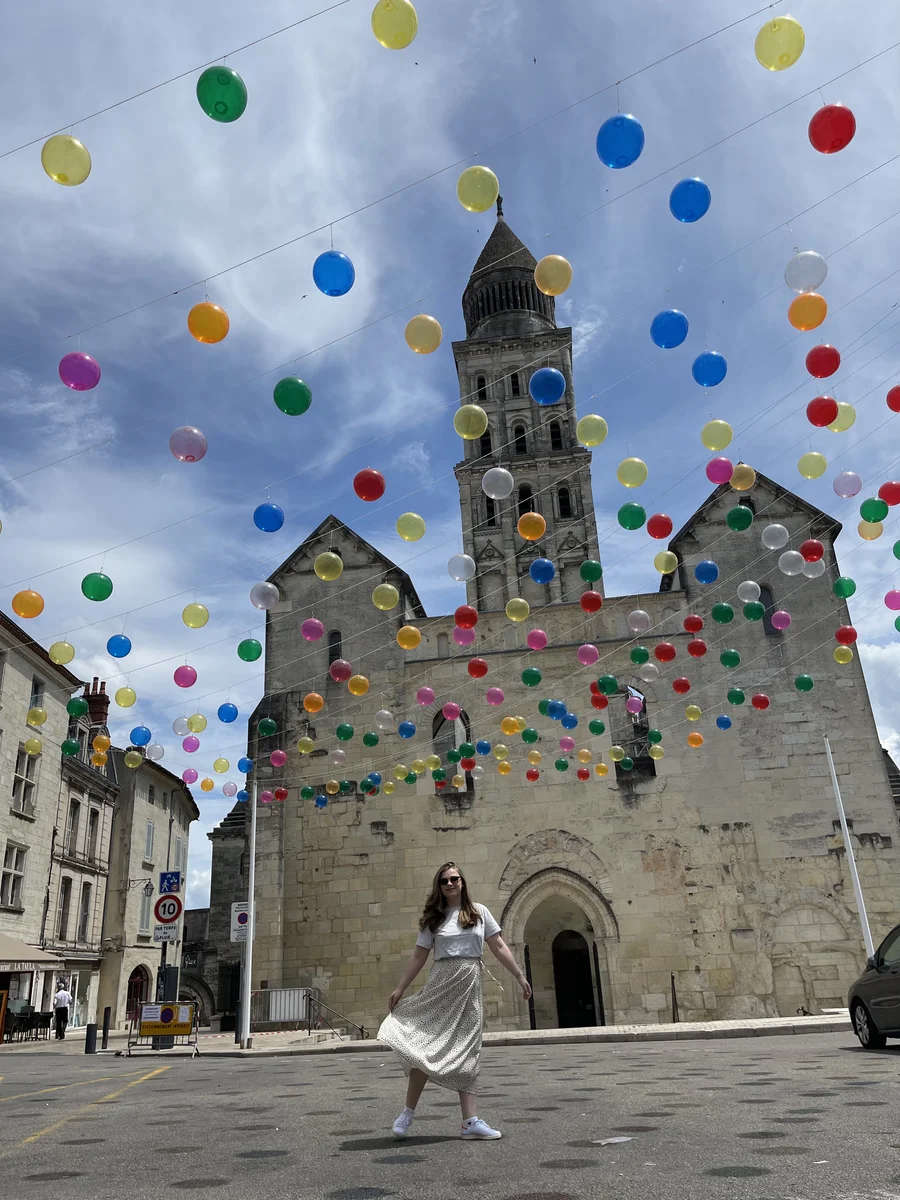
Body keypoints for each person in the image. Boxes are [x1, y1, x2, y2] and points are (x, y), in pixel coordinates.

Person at [378, 860, 532, 1141]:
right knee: (424, 1048)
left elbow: (498, 946)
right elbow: (419, 955)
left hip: (469, 986)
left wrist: (520, 976)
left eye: (454, 879)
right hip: (441, 984)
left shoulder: (479, 913)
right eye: (444, 880)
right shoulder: (434, 919)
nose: (450, 884)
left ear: (463, 882)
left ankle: (470, 1121)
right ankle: (408, 1112)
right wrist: (400, 988)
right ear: (439, 886)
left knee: (468, 1050)